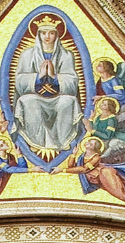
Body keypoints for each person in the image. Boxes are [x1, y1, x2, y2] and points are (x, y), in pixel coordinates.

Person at [11, 15, 82, 153]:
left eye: (51, 33)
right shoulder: (27, 55)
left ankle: (62, 141)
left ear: (57, 35)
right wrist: (39, 76)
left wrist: (55, 77)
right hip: (35, 95)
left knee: (68, 102)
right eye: (43, 33)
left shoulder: (67, 55)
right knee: (28, 101)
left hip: (59, 96)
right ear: (38, 35)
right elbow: (19, 80)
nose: (47, 36)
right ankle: (35, 141)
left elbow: (73, 81)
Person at [54, 135, 125, 207]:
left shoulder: (96, 158)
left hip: (104, 174)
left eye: (92, 143)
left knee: (124, 197)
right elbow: (72, 166)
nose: (89, 142)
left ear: (96, 147)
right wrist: (73, 154)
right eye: (89, 141)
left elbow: (84, 169)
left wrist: (61, 170)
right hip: (100, 181)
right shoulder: (82, 156)